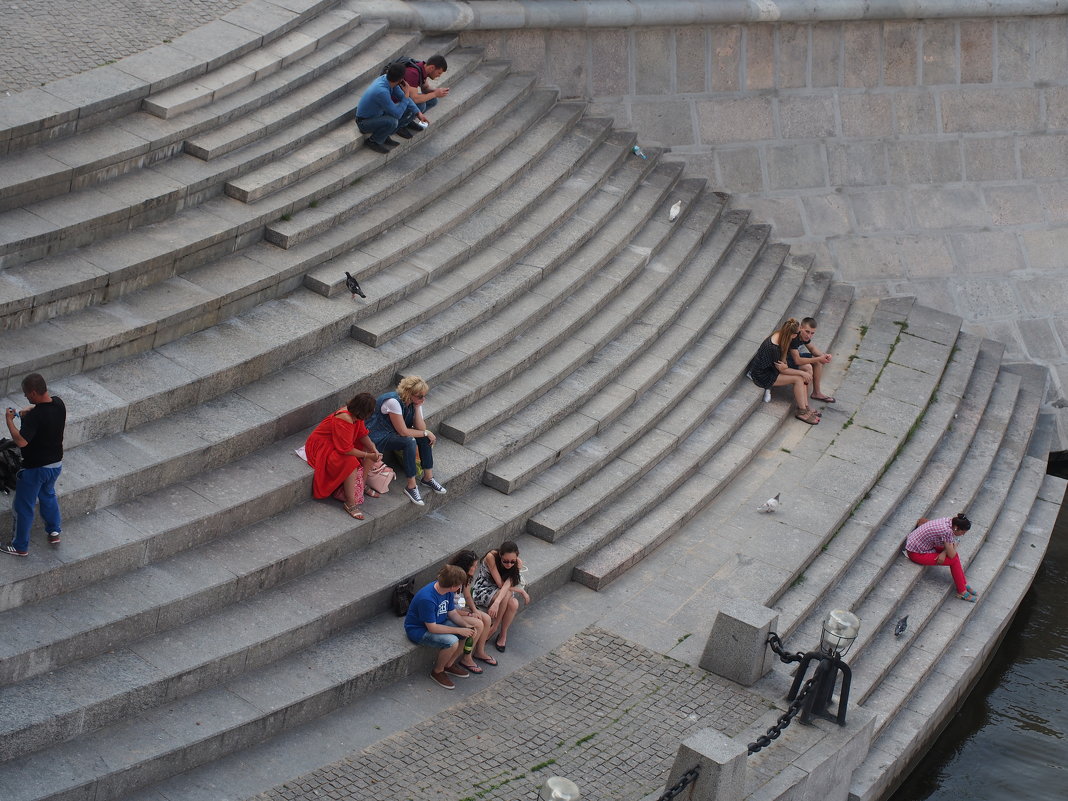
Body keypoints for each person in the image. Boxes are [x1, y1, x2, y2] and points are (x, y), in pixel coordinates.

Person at [3, 373, 65, 556]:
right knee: (48, 495)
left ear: (33, 392)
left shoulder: (35, 417)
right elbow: (42, 413)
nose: (25, 397)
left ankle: (20, 546)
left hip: (35, 469)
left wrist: (9, 421)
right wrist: (27, 412)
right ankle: (54, 531)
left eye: (26, 394)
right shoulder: (58, 403)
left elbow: (21, 441)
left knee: (23, 506)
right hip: (55, 465)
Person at [367, 376, 446, 506]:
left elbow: (421, 428)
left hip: (392, 433)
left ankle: (428, 477)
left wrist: (417, 408)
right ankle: (411, 486)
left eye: (424, 396)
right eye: (420, 396)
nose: (423, 399)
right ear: (409, 393)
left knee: (423, 437)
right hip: (377, 436)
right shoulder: (393, 401)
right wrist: (426, 432)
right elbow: (403, 431)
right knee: (410, 441)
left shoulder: (414, 402)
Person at [304, 392, 381, 520]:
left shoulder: (356, 415)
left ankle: (361, 485)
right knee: (350, 462)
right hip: (322, 445)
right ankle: (350, 503)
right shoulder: (344, 418)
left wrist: (373, 449)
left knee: (370, 450)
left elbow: (362, 434)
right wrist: (368, 454)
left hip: (339, 444)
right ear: (363, 411)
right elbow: (346, 450)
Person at [404, 564, 478, 689]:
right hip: (419, 631)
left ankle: (448, 665)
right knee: (452, 642)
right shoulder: (427, 598)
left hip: (439, 622)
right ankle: (438, 671)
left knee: (470, 631)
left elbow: (452, 613)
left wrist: (466, 625)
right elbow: (432, 628)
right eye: (459, 585)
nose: (460, 587)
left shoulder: (446, 590)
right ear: (453, 586)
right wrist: (459, 630)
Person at [745, 318, 820, 425]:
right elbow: (782, 370)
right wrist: (801, 373)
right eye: (797, 332)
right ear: (793, 334)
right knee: (798, 379)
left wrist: (787, 367)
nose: (798, 334)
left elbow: (783, 364)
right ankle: (802, 411)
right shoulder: (774, 347)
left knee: (801, 376)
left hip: (773, 369)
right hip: (763, 375)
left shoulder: (782, 336)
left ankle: (805, 407)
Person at [354, 62, 427, 154]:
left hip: (378, 114)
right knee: (393, 121)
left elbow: (402, 97)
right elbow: (397, 114)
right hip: (364, 122)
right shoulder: (381, 91)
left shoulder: (388, 80)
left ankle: (384, 136)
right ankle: (373, 141)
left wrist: (418, 113)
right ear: (401, 79)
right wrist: (407, 94)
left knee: (414, 106)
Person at [471, 541, 530, 653]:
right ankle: (494, 627)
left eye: (512, 561)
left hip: (501, 591)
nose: (509, 565)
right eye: (505, 561)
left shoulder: (518, 563)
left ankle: (502, 633)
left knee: (514, 604)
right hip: (484, 588)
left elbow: (507, 584)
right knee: (507, 595)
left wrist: (498, 602)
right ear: (500, 555)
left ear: (517, 556)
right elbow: (500, 584)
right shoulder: (491, 556)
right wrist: (520, 591)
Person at [904, 513, 978, 601]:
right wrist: (949, 548)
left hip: (924, 544)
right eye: (962, 532)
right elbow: (952, 553)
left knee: (954, 556)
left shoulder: (950, 521)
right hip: (916, 553)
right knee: (953, 559)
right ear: (956, 528)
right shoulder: (947, 531)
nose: (963, 534)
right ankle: (961, 590)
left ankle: (963, 584)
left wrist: (944, 552)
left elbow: (953, 544)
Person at [446, 549, 498, 670]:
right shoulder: (452, 578)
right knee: (478, 624)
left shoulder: (465, 577)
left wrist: (474, 610)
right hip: (451, 613)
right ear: (465, 566)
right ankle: (465, 659)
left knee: (486, 618)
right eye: (474, 566)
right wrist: (469, 614)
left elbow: (468, 595)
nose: (475, 568)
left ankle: (479, 651)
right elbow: (449, 608)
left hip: (460, 609)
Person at [788, 316, 835, 404]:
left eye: (812, 333)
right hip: (784, 361)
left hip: (793, 357)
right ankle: (804, 405)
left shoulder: (804, 336)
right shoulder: (794, 337)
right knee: (808, 366)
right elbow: (797, 361)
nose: (809, 335)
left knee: (817, 361)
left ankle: (816, 393)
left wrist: (824, 356)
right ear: (801, 328)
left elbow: (812, 349)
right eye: (807, 331)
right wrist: (819, 358)